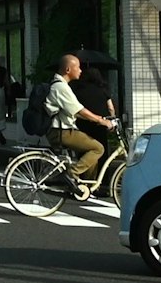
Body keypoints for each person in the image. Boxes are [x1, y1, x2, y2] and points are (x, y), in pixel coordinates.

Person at [43, 50, 120, 196]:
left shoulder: (61, 85)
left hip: (63, 129)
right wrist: (101, 121)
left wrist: (97, 119)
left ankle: (86, 186)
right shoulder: (61, 87)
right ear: (68, 69)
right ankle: (70, 174)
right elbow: (80, 111)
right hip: (62, 132)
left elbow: (77, 111)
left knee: (90, 149)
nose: (80, 70)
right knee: (98, 148)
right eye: (77, 67)